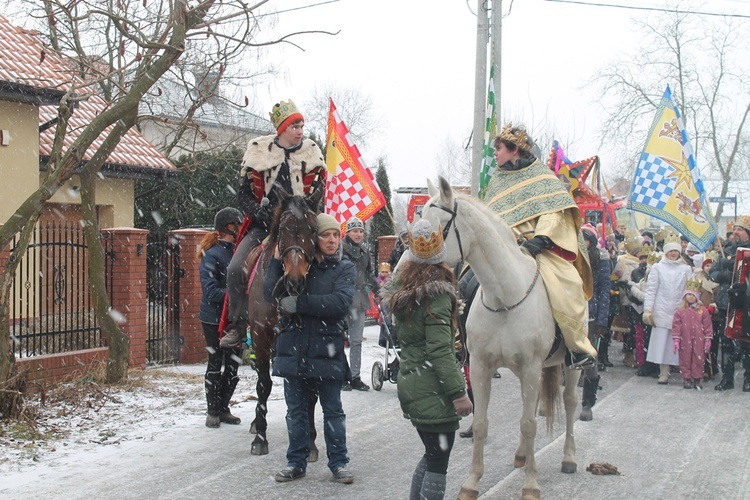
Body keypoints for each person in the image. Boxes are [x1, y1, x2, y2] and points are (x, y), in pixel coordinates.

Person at [484, 124, 597, 369]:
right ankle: (464, 341)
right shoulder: (496, 182)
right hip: (503, 250)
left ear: (514, 150)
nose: (495, 154)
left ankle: (575, 347)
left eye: (499, 149)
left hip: (540, 249)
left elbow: (556, 213)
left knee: (567, 285)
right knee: (468, 280)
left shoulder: (543, 177)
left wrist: (541, 239)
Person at [220, 99, 326, 348]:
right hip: (265, 226)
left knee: (329, 260)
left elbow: (320, 190)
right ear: (283, 129)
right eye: (295, 126)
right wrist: (259, 212)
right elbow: (243, 195)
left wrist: (308, 208)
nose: (301, 131)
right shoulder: (258, 151)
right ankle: (237, 325)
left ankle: (327, 321)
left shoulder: (311, 153)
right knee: (235, 269)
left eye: (302, 126)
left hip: (300, 226)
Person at [382, 218, 472, 500]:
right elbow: (440, 351)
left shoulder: (404, 290)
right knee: (438, 460)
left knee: (432, 454)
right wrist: (459, 393)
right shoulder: (437, 296)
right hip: (434, 388)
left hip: (415, 383)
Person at [267, 213, 356, 484]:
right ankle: (296, 462)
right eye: (325, 235)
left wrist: (301, 305)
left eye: (335, 235)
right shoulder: (300, 263)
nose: (331, 240)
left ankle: (339, 463)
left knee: (333, 410)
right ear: (313, 239)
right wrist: (274, 261)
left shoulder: (344, 267)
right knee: (295, 412)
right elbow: (268, 291)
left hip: (326, 349)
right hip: (294, 348)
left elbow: (340, 302)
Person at [198, 207, 244, 428]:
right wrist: (235, 293)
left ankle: (224, 407)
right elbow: (210, 291)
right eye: (237, 225)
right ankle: (212, 410)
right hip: (213, 318)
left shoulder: (239, 252)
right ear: (229, 227)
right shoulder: (212, 254)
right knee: (215, 364)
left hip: (234, 319)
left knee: (234, 366)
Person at [643, 236, 692, 384]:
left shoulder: (686, 269)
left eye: (675, 251)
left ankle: (684, 372)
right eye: (670, 251)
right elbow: (651, 290)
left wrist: (688, 306)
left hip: (679, 309)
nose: (673, 254)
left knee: (678, 341)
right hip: (661, 309)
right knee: (662, 343)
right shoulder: (658, 268)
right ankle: (663, 372)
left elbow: (689, 290)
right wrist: (648, 310)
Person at [709, 216, 750, 392]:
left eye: (739, 229)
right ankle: (727, 378)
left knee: (747, 343)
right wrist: (726, 274)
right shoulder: (725, 251)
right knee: (726, 343)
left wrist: (734, 268)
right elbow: (713, 273)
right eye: (735, 229)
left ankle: (748, 378)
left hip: (746, 304)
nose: (735, 232)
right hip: (727, 304)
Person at [341, 216, 380, 391]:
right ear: (347, 232)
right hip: (341, 300)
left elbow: (370, 275)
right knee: (336, 341)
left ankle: (355, 377)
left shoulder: (365, 251)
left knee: (356, 341)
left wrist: (380, 292)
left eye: (361, 231)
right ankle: (341, 376)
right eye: (355, 231)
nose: (358, 234)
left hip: (360, 302)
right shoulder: (339, 249)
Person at [580, 224, 610, 421]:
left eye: (586, 239)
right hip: (570, 310)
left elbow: (604, 291)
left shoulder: (601, 259)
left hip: (590, 314)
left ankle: (587, 402)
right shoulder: (570, 257)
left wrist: (601, 320)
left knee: (590, 357)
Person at [672, 278, 713, 389]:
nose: (690, 297)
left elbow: (707, 324)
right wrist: (676, 338)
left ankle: (697, 378)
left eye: (693, 295)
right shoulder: (680, 311)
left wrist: (708, 338)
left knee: (698, 358)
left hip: (699, 339)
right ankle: (686, 377)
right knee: (685, 358)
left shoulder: (702, 310)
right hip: (685, 338)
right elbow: (676, 324)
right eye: (688, 294)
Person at [694, 251, 719, 379]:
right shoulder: (698, 279)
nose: (710, 268)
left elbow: (721, 298)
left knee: (713, 343)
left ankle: (712, 367)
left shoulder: (719, 280)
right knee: (700, 342)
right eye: (707, 265)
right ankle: (702, 367)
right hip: (701, 315)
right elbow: (694, 296)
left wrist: (715, 307)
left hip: (714, 316)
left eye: (712, 265)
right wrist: (701, 308)